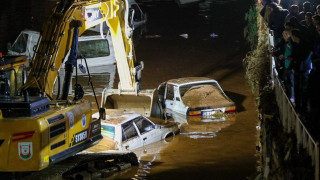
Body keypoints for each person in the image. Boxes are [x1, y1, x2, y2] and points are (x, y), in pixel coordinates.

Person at [291, 29, 312, 115]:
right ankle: (300, 107)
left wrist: (294, 60)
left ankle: (302, 107)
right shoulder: (298, 44)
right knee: (298, 88)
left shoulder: (302, 45)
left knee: (302, 88)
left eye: (292, 36)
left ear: (295, 36)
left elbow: (301, 57)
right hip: (300, 69)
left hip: (301, 70)